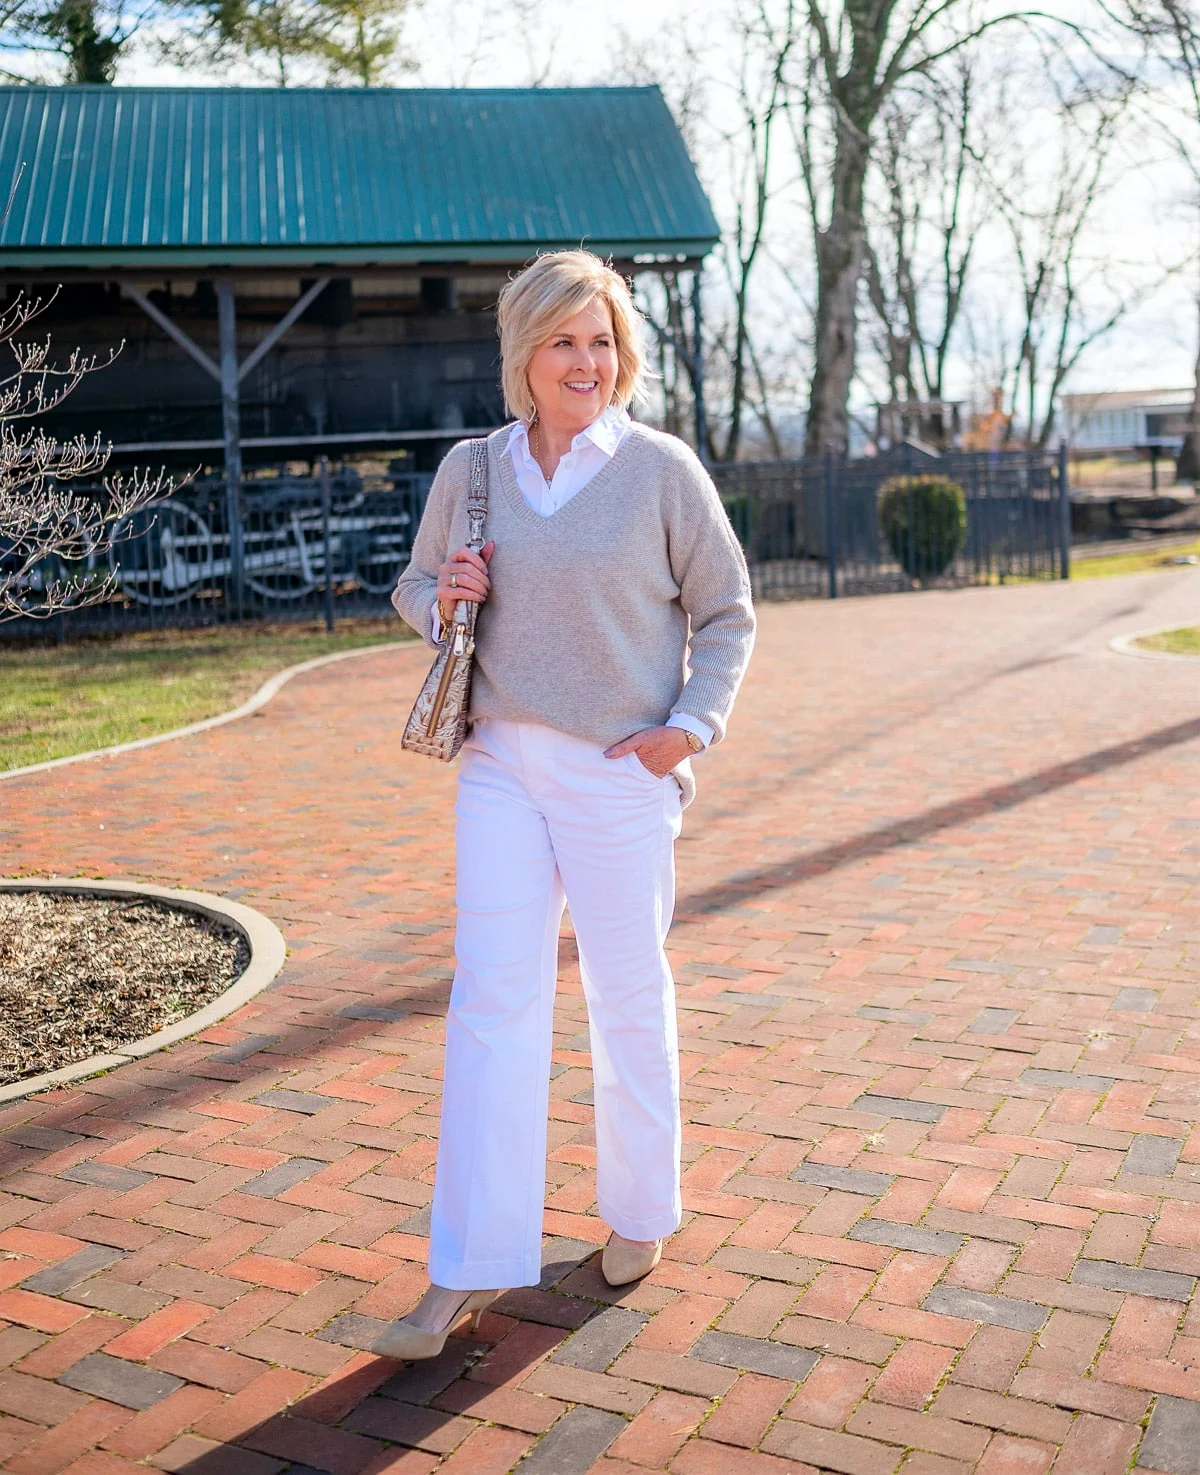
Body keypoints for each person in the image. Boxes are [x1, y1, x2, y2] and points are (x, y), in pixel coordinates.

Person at [381, 249, 755, 1360]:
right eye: (563, 341)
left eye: (602, 341)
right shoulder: (475, 468)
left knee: (625, 991)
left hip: (617, 772)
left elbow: (728, 612)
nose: (586, 361)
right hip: (499, 761)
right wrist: (439, 597)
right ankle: (467, 1265)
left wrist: (687, 728)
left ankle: (641, 1214)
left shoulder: (661, 469)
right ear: (525, 355)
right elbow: (414, 585)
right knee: (491, 1001)